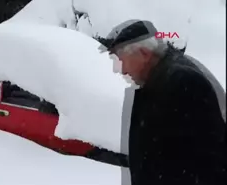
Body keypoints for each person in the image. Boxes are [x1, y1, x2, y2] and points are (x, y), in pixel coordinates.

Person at [97, 19, 227, 185]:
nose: (121, 70)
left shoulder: (183, 82)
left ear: (144, 53)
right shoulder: (160, 77)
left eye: (121, 60)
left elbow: (201, 162)